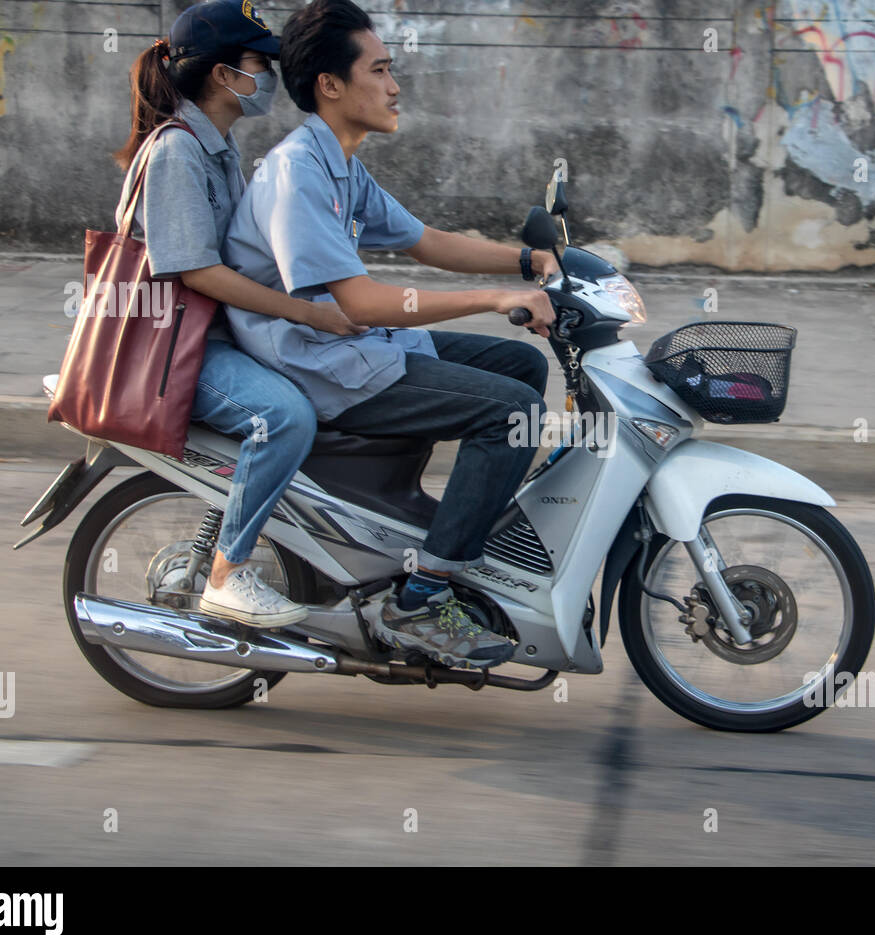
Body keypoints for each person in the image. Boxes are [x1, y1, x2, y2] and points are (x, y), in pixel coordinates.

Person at [221, 0, 560, 670]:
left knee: (521, 368)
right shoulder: (299, 172)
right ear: (331, 85)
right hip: (318, 364)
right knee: (512, 411)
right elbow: (366, 300)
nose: (395, 85)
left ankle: (459, 533)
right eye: (380, 70)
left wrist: (530, 262)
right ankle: (423, 597)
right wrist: (496, 297)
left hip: (353, 348)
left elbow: (426, 242)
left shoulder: (342, 162)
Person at [113, 0, 367, 627]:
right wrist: (307, 316)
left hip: (205, 340)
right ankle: (228, 573)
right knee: (283, 417)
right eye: (261, 63)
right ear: (225, 75)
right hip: (173, 354)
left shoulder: (216, 145)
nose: (270, 79)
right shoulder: (178, 150)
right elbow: (197, 270)